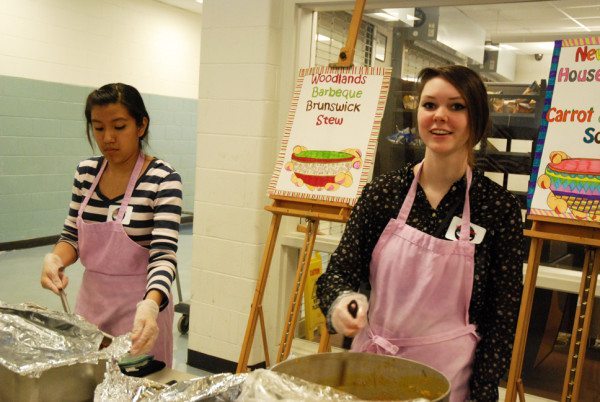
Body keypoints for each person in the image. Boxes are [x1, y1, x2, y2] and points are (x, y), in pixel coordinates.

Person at [316, 65, 525, 401]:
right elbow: (339, 272)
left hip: (449, 381)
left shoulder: (497, 208)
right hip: (372, 373)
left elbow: (501, 316)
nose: (440, 116)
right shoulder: (384, 193)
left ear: (478, 119)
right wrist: (342, 303)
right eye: (429, 105)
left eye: (456, 106)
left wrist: (484, 391)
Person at [40, 83, 182, 366]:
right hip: (91, 305)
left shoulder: (163, 179)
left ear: (141, 126)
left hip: (141, 310)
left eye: (119, 127)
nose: (108, 138)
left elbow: (164, 257)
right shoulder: (86, 173)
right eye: (99, 128)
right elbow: (72, 236)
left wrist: (151, 305)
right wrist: (56, 258)